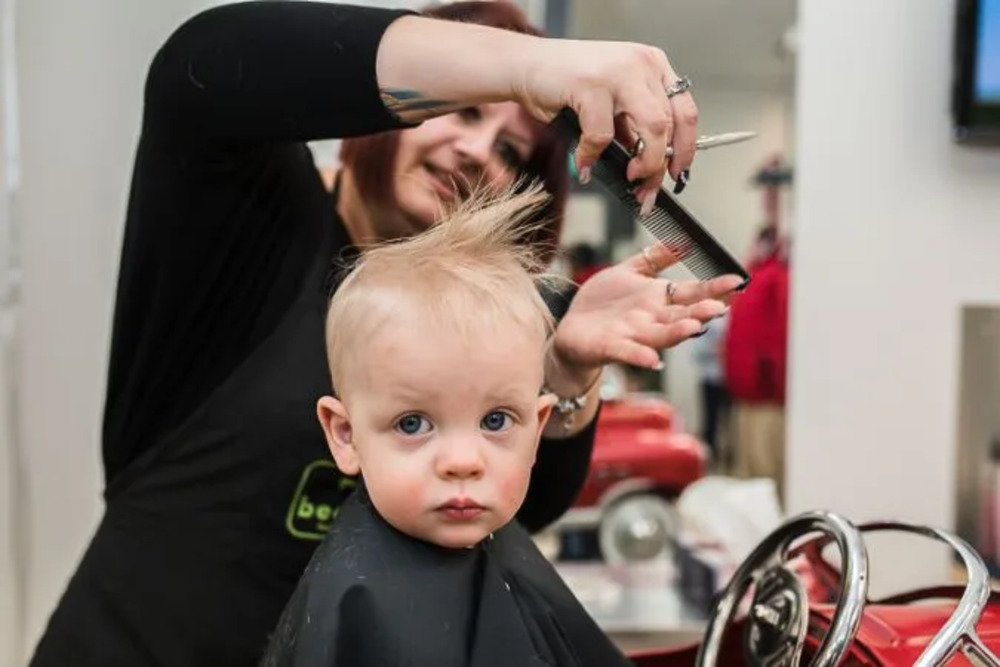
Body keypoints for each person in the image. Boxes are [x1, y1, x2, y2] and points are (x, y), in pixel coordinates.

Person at [29, 2, 741, 665]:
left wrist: (564, 368)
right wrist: (531, 72)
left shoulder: (483, 313)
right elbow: (201, 71)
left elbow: (517, 505)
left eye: (512, 153)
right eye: (463, 113)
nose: (476, 153)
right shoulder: (253, 228)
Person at [263, 185, 632, 667]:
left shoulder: (497, 548)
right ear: (345, 434)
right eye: (413, 424)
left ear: (537, 428)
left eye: (496, 420)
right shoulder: (362, 606)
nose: (463, 462)